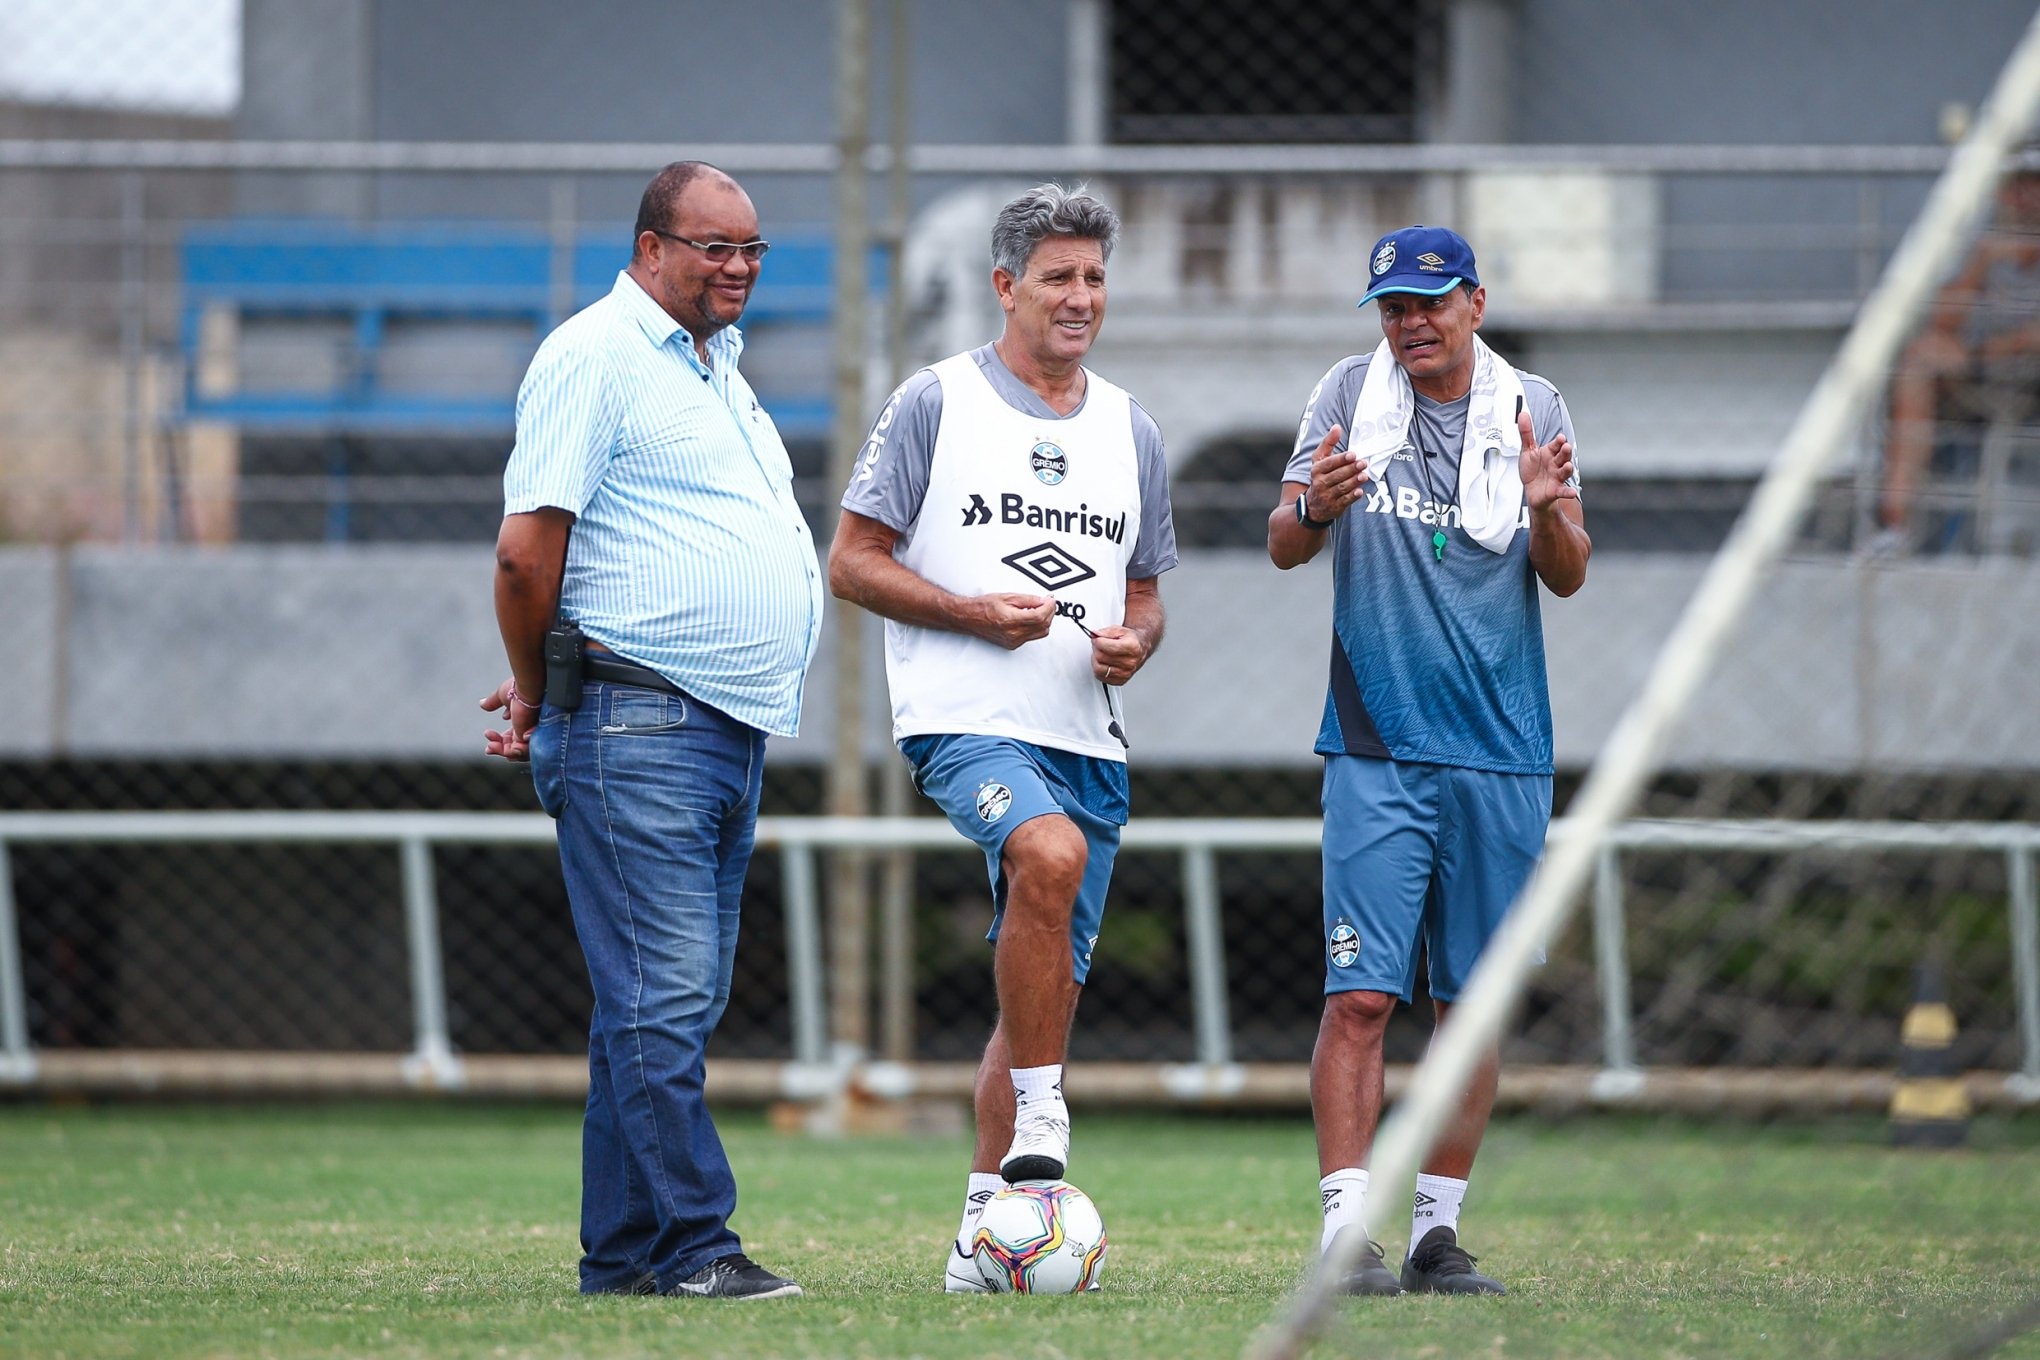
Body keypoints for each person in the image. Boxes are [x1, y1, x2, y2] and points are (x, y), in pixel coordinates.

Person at [480, 161, 823, 1301]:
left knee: (657, 1003)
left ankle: (624, 1255)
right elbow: (529, 552)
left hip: (719, 730)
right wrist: (537, 691)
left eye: (751, 250)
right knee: (662, 999)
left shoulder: (716, 366)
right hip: (639, 720)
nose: (735, 268)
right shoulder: (595, 354)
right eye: (712, 246)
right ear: (649, 246)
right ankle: (692, 1246)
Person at [827, 183, 1177, 1294]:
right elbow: (851, 561)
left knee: (1036, 1006)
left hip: (1089, 738)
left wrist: (1136, 642)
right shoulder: (935, 401)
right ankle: (1044, 1112)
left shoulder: (1132, 428)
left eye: (1094, 278)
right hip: (963, 721)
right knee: (1049, 856)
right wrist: (976, 614)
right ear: (1005, 286)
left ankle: (981, 1240)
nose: (1081, 298)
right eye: (1058, 277)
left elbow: (1148, 595)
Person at [1267, 224, 1590, 1297]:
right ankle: (1344, 1234)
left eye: (1429, 302)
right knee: (1360, 997)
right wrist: (1314, 504)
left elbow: (1572, 571)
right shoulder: (1342, 397)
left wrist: (1546, 510)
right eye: (1393, 307)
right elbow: (1283, 539)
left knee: (1470, 1006)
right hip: (1377, 747)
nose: (1410, 322)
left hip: (1502, 753)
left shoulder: (1529, 404)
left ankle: (1436, 1238)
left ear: (1474, 304)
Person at [1879, 167, 2040, 548]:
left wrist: (1988, 351)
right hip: (1979, 372)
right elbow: (1943, 321)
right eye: (2017, 188)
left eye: (2035, 187)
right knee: (1919, 358)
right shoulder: (1979, 238)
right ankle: (1895, 528)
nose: (2027, 199)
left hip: (2029, 377)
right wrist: (1981, 261)